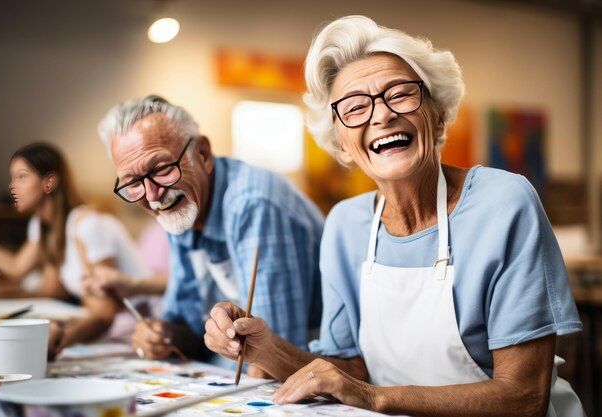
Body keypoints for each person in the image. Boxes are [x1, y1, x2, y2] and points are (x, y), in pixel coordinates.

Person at [203, 15, 585, 416]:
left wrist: (374, 398)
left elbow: (524, 397)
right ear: (343, 144)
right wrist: (265, 347)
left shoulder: (503, 203)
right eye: (355, 107)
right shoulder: (345, 226)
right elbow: (349, 372)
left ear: (437, 114)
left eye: (400, 94)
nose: (381, 115)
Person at [97, 95, 324, 373]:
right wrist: (163, 336)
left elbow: (271, 360)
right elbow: (187, 327)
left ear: (202, 154)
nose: (153, 195)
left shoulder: (253, 205)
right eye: (133, 182)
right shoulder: (180, 208)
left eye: (161, 168)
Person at [0, 142, 152, 356]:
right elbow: (45, 287)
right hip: (112, 330)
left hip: (142, 328)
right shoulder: (44, 226)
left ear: (49, 182)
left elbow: (104, 313)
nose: (11, 187)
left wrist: (61, 336)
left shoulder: (87, 226)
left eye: (21, 177)